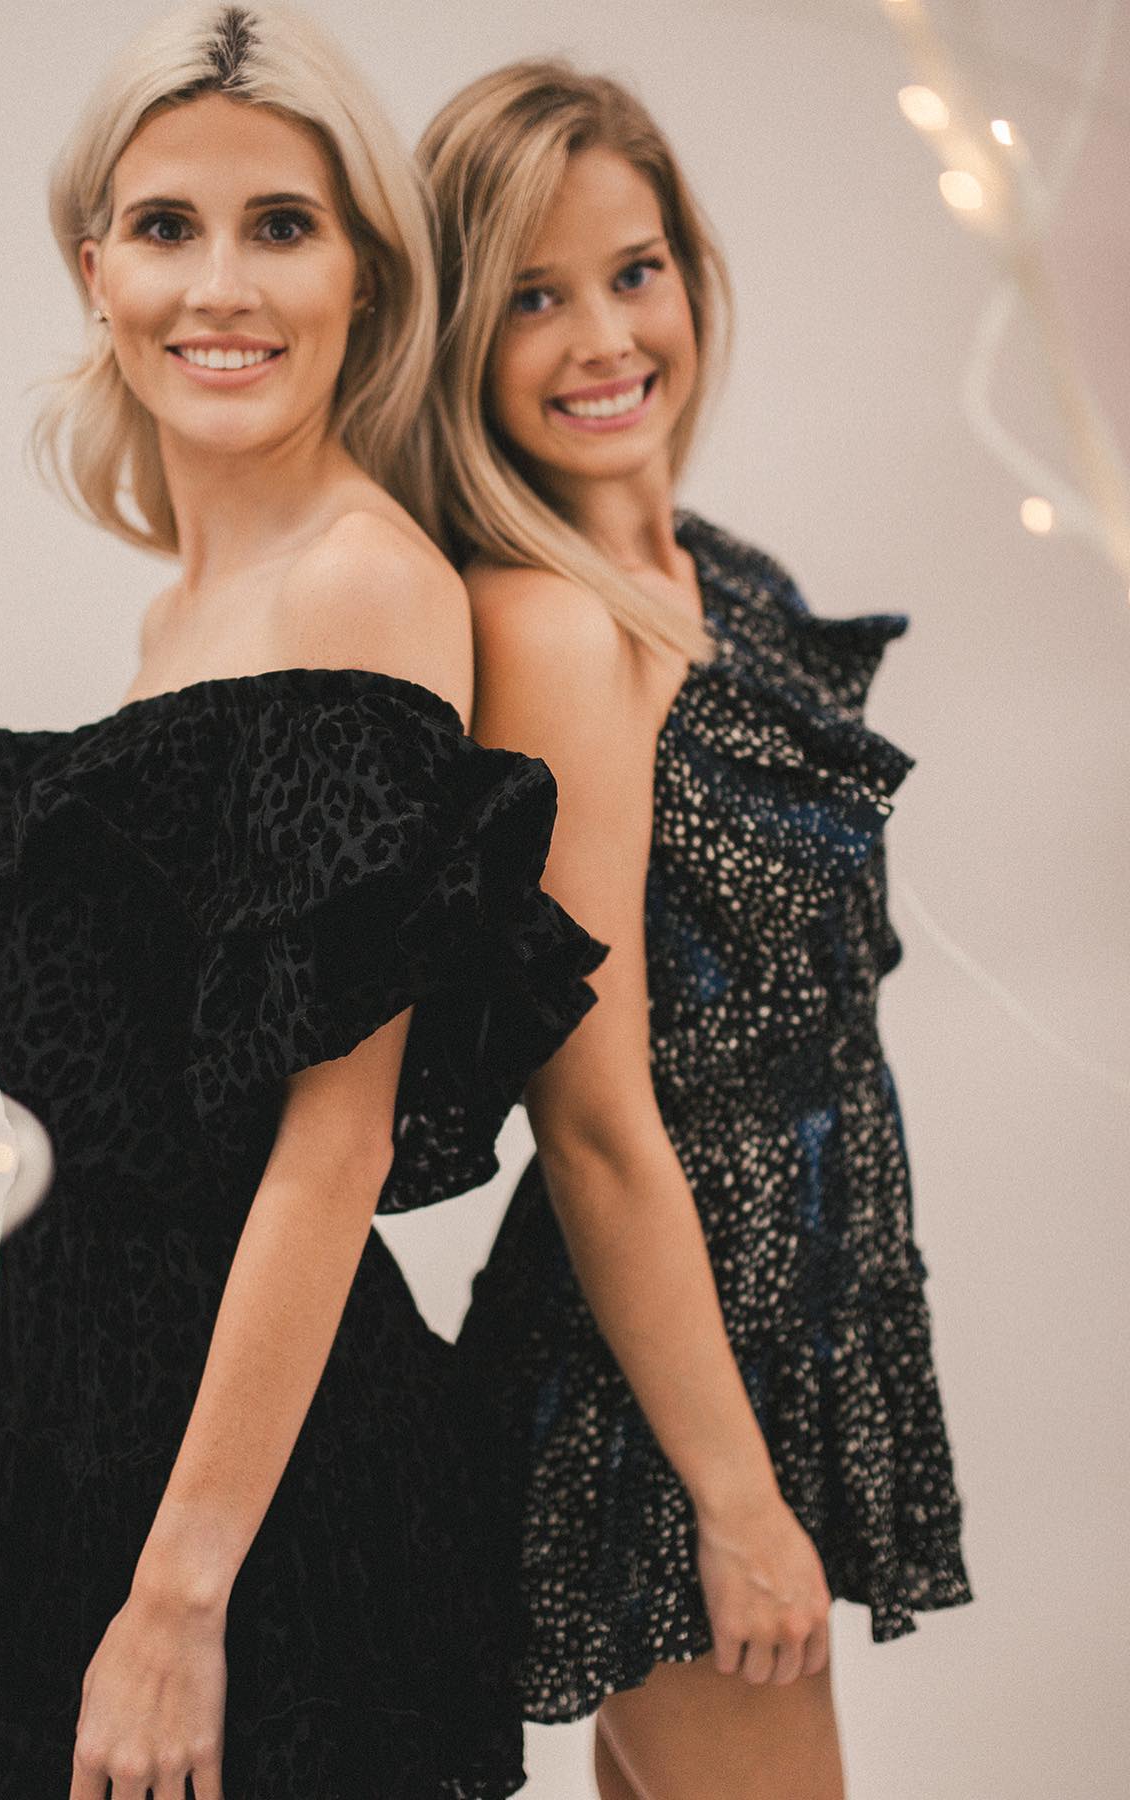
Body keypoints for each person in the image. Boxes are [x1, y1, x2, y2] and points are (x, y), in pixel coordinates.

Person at [0, 12, 608, 1797]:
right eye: (168, 226)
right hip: (96, 1444)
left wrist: (177, 1594)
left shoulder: (364, 590)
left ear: (365, 274)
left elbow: (327, 1149)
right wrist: (26, 1412)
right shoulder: (181, 615)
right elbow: (127, 1137)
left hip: (260, 1529)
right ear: (97, 271)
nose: (220, 285)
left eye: (281, 225)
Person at [415, 61, 972, 1800]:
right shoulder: (553, 630)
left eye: (633, 271)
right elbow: (591, 1117)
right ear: (456, 339)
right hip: (659, 1396)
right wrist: (733, 1498)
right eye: (532, 297)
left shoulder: (721, 575)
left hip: (790, 1332)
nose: (604, 338)